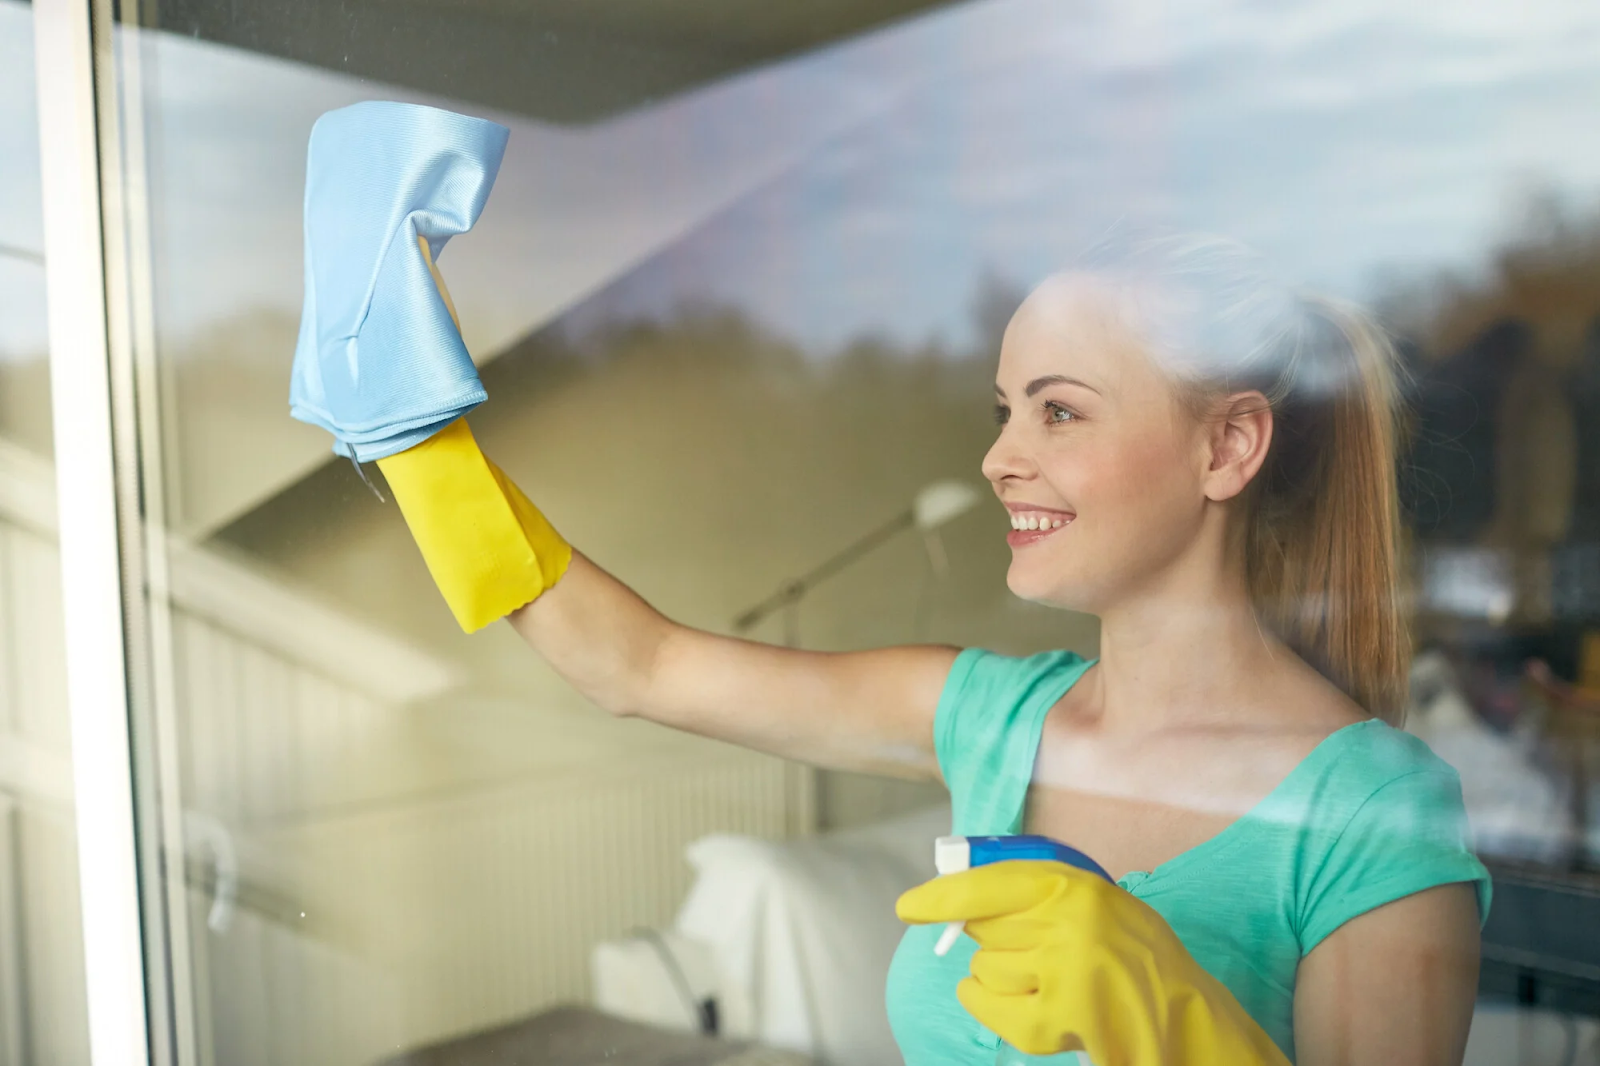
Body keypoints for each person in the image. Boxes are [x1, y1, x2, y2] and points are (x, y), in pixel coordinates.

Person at [371, 234, 1489, 1065]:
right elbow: (641, 666)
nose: (1001, 458)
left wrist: (1172, 1016)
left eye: (1057, 412)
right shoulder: (988, 718)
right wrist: (422, 450)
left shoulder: (1369, 812)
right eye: (1002, 410)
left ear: (1228, 444)